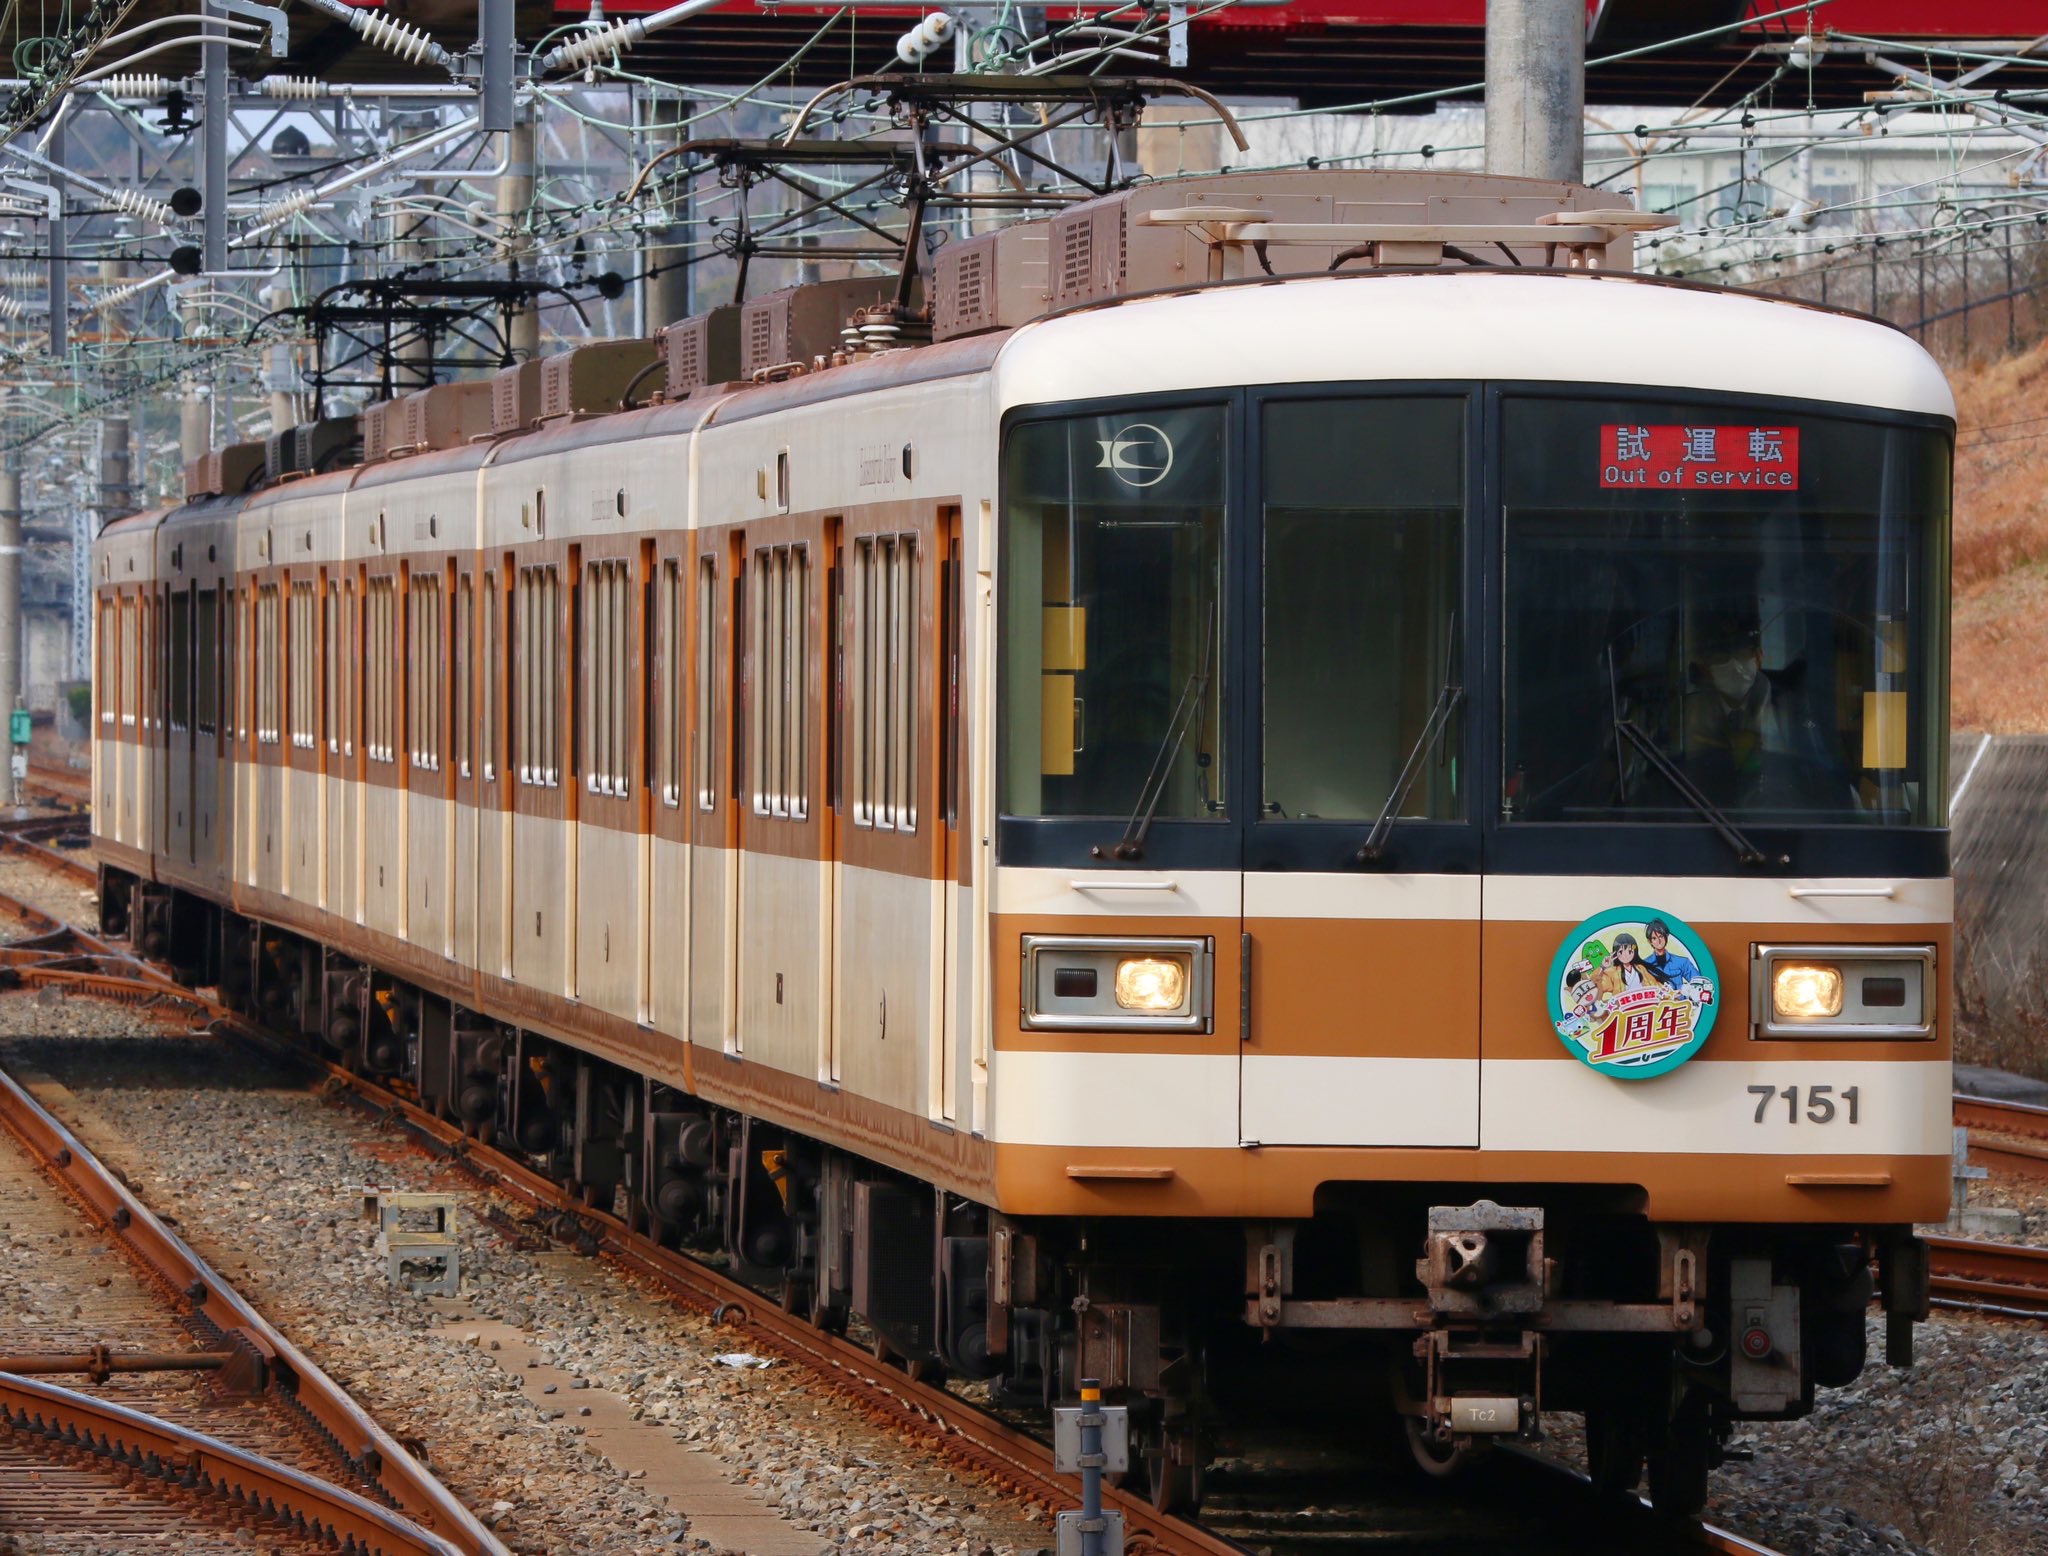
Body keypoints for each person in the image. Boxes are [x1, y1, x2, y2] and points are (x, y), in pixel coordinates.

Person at [1596, 932, 1667, 996]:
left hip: (1645, 1003)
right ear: (1615, 953)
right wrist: (1602, 967)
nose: (1625, 955)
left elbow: (1654, 985)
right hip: (1624, 1007)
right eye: (1620, 952)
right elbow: (1597, 985)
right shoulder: (1613, 972)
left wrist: (1668, 993)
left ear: (1634, 952)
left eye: (1630, 951)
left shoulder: (1640, 968)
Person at [1641, 918, 1699, 987]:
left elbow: (1698, 983)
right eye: (1654, 938)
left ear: (1666, 936)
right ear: (1650, 941)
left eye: (1661, 936)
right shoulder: (1644, 966)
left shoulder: (1682, 962)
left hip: (1678, 997)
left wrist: (1684, 991)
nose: (1658, 941)